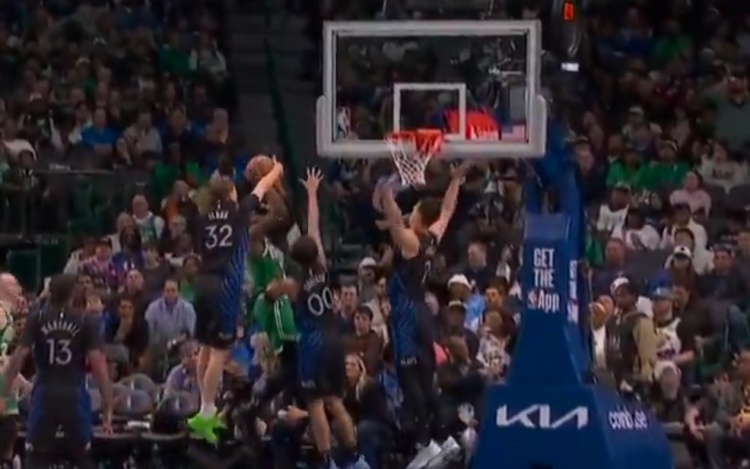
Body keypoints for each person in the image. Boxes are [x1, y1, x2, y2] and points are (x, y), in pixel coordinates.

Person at [266, 168, 367, 469]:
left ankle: (327, 461)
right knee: (335, 401)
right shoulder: (321, 266)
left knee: (315, 403)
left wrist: (272, 287)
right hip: (335, 338)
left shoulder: (293, 282)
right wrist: (312, 193)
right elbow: (314, 227)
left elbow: (270, 293)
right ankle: (356, 458)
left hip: (313, 342)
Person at [374, 162, 468, 469]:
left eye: (414, 209)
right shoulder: (431, 237)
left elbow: (396, 223)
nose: (411, 211)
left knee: (409, 381)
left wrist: (387, 195)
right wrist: (455, 180)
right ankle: (445, 438)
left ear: (420, 218)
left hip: (406, 315)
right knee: (426, 382)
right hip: (421, 315)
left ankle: (427, 444)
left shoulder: (413, 243)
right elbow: (447, 210)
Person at [188, 159, 284, 443]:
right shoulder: (239, 211)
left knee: (205, 348)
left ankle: (203, 406)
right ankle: (207, 411)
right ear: (231, 192)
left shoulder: (202, 216)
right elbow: (262, 187)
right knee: (220, 352)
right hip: (225, 285)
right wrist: (276, 170)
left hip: (201, 283)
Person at [2, 273, 113, 469]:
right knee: (82, 457)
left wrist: (3, 392)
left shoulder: (37, 319)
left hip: (45, 393)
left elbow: (19, 356)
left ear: (50, 293)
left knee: (36, 457)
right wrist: (107, 410)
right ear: (72, 293)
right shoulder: (86, 321)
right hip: (74, 394)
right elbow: (99, 368)